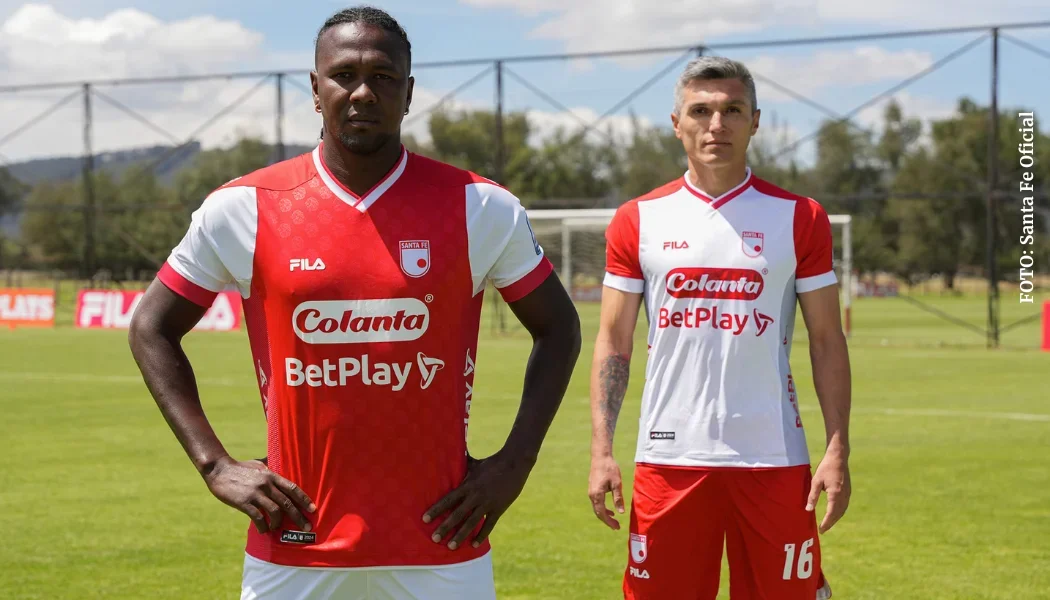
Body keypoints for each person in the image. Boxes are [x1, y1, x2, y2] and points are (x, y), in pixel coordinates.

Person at [128, 6, 581, 599]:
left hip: (441, 543)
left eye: (384, 76)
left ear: (409, 91)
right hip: (295, 542)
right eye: (343, 75)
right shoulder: (245, 207)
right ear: (316, 90)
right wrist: (215, 465)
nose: (363, 91)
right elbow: (151, 328)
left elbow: (559, 328)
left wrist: (514, 464)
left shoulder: (479, 206)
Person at [587, 56, 850, 600]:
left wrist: (837, 447)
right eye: (700, 111)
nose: (716, 124)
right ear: (676, 122)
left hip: (774, 458)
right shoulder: (637, 219)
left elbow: (827, 339)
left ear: (756, 121)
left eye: (732, 110)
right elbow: (614, 341)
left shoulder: (801, 216)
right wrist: (602, 449)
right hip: (668, 458)